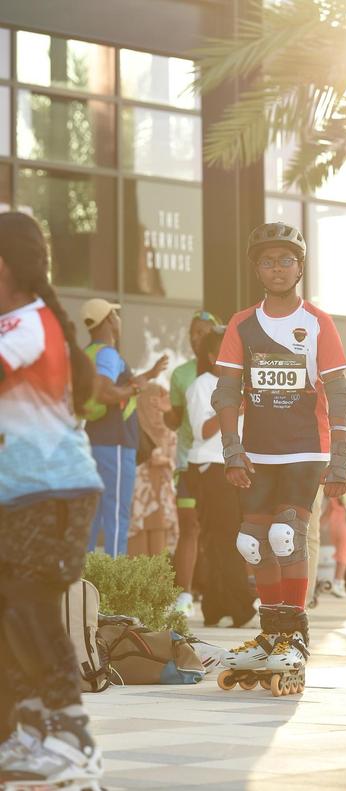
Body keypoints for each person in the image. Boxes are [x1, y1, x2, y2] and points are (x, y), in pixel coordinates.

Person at [211, 221, 346, 675]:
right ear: (257, 270)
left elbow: (339, 393)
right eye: (268, 261)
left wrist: (341, 456)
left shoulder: (317, 323)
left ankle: (294, 639)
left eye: (286, 260)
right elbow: (226, 392)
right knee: (252, 544)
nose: (277, 268)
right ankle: (271, 636)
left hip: (305, 448)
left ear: (300, 267)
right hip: (258, 450)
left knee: (285, 536)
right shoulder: (241, 323)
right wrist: (232, 449)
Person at [0, 212, 104, 788]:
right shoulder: (14, 322)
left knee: (30, 607)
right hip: (19, 495)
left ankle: (74, 740)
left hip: (55, 492)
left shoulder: (29, 324)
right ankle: (30, 730)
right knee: (9, 614)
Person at [82, 298, 168, 557]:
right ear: (109, 319)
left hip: (95, 441)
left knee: (94, 514)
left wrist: (149, 375)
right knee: (117, 514)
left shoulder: (89, 353)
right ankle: (113, 573)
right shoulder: (108, 354)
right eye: (116, 315)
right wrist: (134, 389)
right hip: (115, 444)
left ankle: (84, 574)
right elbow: (105, 392)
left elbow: (117, 385)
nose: (119, 320)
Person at [186, 328, 255, 626]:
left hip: (237, 465)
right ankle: (240, 607)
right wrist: (232, 409)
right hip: (212, 468)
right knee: (224, 538)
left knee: (227, 538)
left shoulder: (240, 385)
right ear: (213, 356)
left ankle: (215, 607)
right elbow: (202, 430)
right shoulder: (201, 386)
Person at [164, 309, 221, 617]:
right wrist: (163, 412)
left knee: (222, 530)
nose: (196, 338)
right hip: (188, 462)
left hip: (222, 465)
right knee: (190, 527)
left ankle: (221, 593)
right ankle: (183, 596)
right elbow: (175, 420)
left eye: (202, 332)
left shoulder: (232, 371)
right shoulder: (180, 375)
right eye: (192, 333)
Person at [128, 384, 178, 558]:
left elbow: (178, 463)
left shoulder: (169, 433)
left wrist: (166, 461)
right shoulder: (132, 431)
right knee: (137, 549)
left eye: (160, 406)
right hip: (138, 501)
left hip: (162, 501)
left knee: (159, 549)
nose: (156, 412)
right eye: (152, 406)